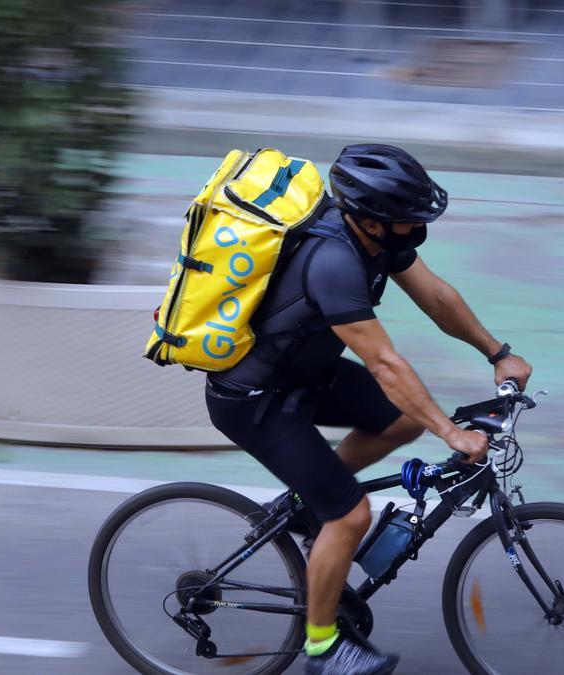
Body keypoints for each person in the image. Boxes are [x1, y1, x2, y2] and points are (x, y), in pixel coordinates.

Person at [205, 143, 532, 675]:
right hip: (255, 398)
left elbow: (436, 298)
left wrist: (497, 353)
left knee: (400, 419)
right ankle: (322, 649)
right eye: (407, 219)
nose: (417, 227)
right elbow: (383, 363)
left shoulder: (376, 240)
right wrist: (452, 434)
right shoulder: (333, 260)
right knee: (351, 513)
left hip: (304, 373)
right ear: (374, 222)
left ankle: (310, 507)